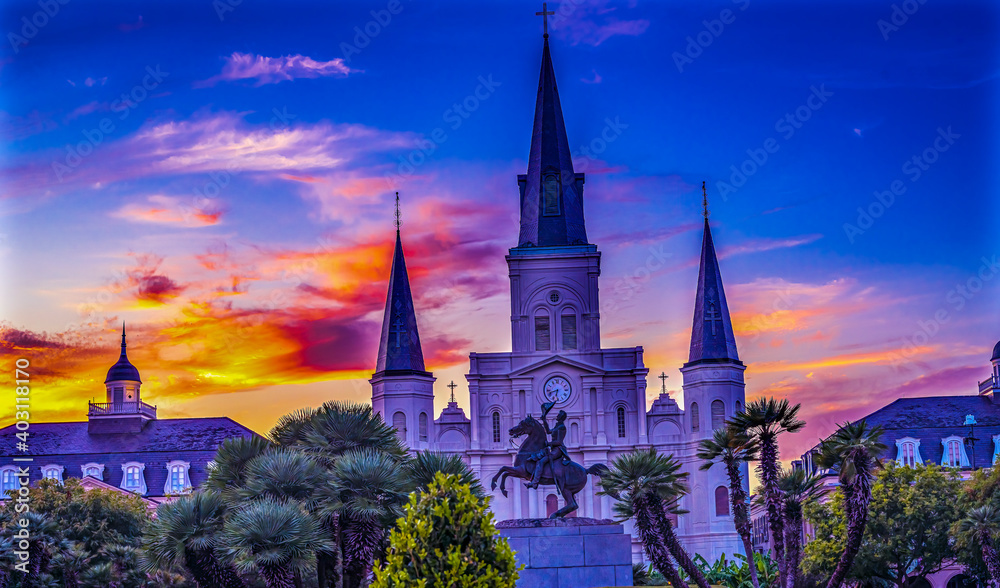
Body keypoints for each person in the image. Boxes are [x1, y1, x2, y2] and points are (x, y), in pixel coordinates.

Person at [526, 404, 570, 489]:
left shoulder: (562, 427)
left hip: (558, 450)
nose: (557, 415)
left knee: (541, 462)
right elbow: (549, 431)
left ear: (561, 417)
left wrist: (548, 443)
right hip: (553, 449)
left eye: (558, 415)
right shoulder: (557, 426)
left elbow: (559, 441)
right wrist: (544, 420)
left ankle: (535, 483)